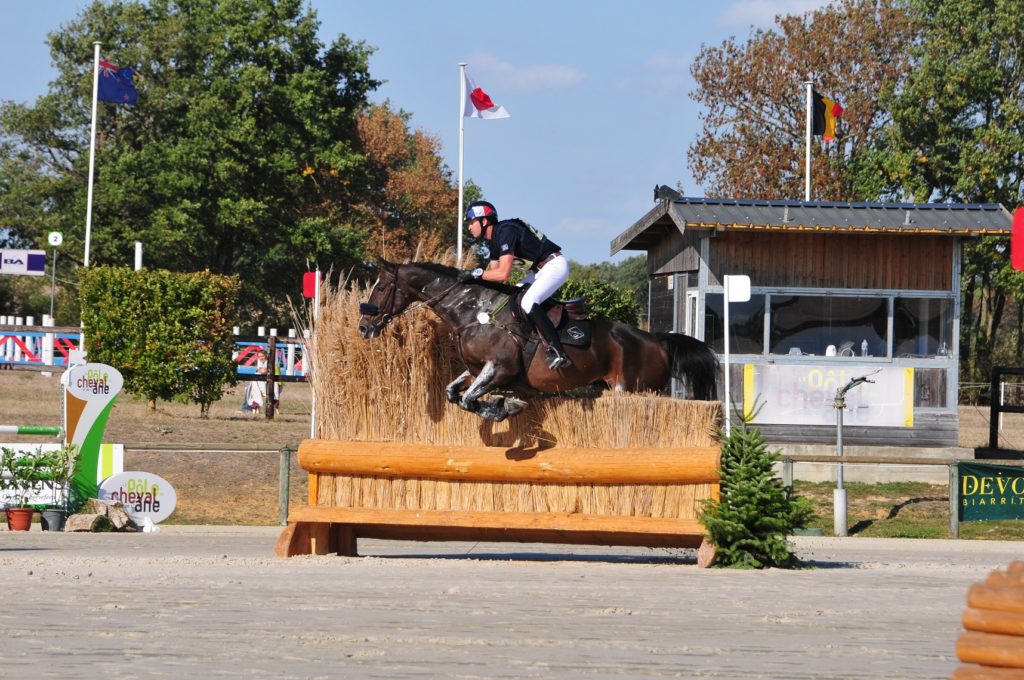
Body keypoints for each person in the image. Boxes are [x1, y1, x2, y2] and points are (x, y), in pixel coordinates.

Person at [458, 199, 572, 370]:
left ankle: (558, 350)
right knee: (509, 299)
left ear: (484, 221)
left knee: (527, 302)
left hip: (555, 266)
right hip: (540, 271)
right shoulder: (494, 240)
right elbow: (496, 278)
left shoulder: (505, 231)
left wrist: (477, 273)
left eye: (472, 222)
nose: (469, 227)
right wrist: (474, 279)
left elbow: (503, 273)